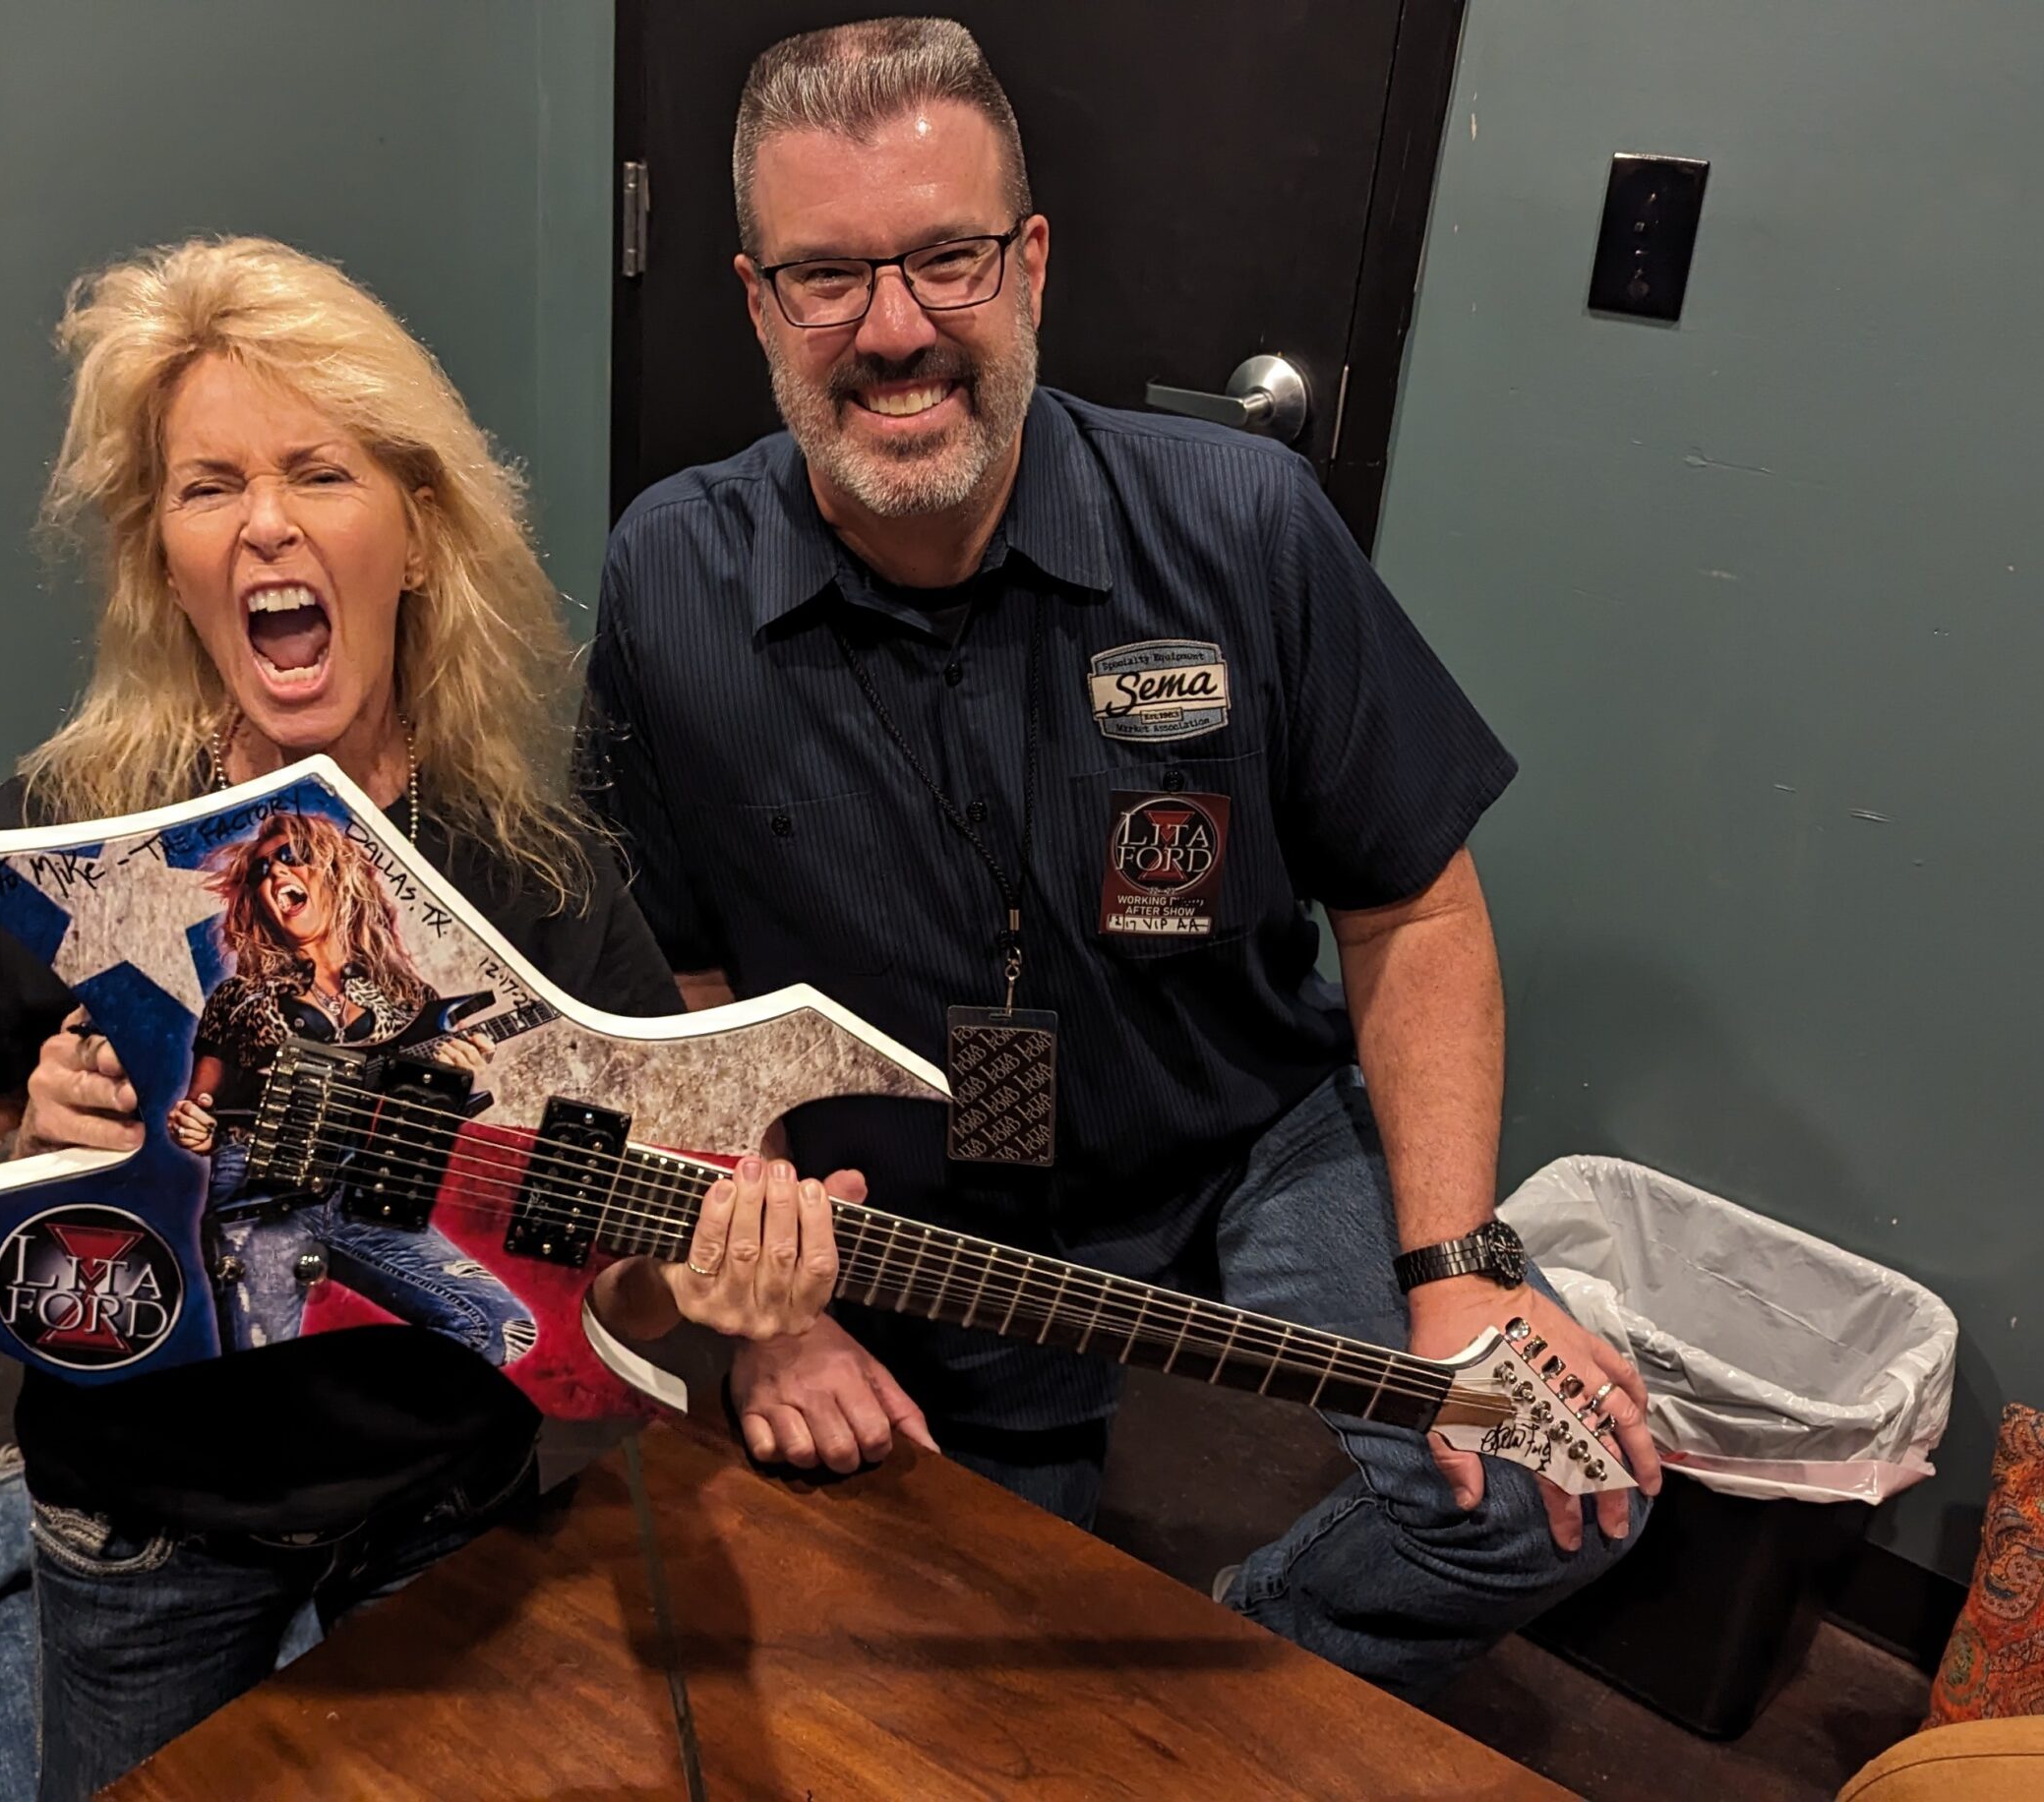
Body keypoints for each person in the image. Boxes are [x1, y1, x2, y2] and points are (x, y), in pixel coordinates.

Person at [581, 18, 1662, 1701]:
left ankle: (1232, 1654)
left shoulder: (1246, 525)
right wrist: (778, 1309)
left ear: (1030, 263)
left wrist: (1464, 1273)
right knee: (961, 1654)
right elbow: (683, 980)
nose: (894, 328)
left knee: (1542, 1487)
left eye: (947, 258)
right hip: (919, 1204)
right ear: (755, 301)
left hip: (1240, 1129)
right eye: (828, 276)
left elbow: (1413, 903)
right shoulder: (669, 576)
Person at [0, 236, 855, 1801]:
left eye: (319, 471)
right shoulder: (66, 844)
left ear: (418, 537)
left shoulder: (537, 870)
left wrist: (711, 1280)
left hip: (447, 1496)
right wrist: (32, 1169)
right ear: (164, 560)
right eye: (209, 487)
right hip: (143, 1519)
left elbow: (621, 1291)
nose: (265, 522)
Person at [166, 809, 534, 1363]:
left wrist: (453, 1078)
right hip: (260, 1191)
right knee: (256, 1389)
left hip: (363, 1190)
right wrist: (193, 1125)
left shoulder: (408, 999)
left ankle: (357, 1412)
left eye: (292, 858)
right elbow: (200, 1106)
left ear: (338, 875)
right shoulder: (240, 997)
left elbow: (415, 1127)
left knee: (500, 1326)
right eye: (262, 870)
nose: (275, 874)